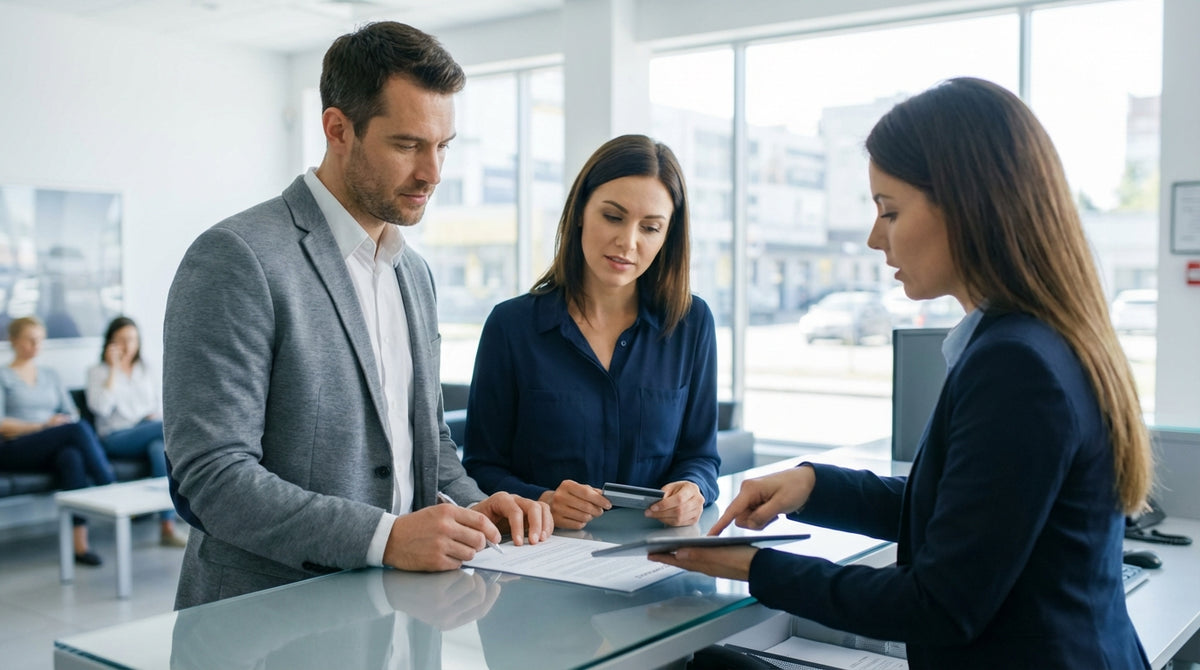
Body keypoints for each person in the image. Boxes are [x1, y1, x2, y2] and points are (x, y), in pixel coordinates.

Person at [651, 77, 1154, 669]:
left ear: (969, 205)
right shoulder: (1035, 340)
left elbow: (939, 604)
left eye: (889, 210)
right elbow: (967, 518)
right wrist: (816, 484)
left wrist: (755, 566)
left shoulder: (1016, 364)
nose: (873, 237)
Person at [163, 21, 550, 610]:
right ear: (337, 129)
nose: (433, 173)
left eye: (443, 146)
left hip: (397, 616)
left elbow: (427, 439)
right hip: (263, 621)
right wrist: (386, 537)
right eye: (407, 145)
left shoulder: (412, 273)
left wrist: (472, 506)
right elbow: (212, 476)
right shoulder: (237, 258)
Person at [462, 134, 720, 530]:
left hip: (654, 557)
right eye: (613, 217)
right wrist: (542, 499)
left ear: (667, 237)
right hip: (540, 557)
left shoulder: (691, 323)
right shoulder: (511, 327)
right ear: (581, 211)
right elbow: (480, 467)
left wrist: (693, 487)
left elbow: (701, 456)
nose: (627, 242)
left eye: (650, 227)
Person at [0, 316, 115, 566]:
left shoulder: (50, 375)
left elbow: (71, 412)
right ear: (14, 341)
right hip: (14, 448)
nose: (36, 345)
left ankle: (80, 546)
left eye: (40, 340)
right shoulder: (3, 376)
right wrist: (43, 425)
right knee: (76, 431)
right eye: (30, 340)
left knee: (71, 456)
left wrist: (59, 423)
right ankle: (110, 485)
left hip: (50, 445)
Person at [86, 316, 186, 547]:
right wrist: (113, 370)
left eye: (132, 339)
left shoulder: (146, 368)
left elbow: (158, 404)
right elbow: (100, 408)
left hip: (146, 432)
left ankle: (166, 527)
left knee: (158, 449)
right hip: (115, 437)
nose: (127, 345)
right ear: (110, 342)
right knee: (165, 430)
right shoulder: (98, 371)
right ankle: (181, 506)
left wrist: (152, 415)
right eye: (121, 340)